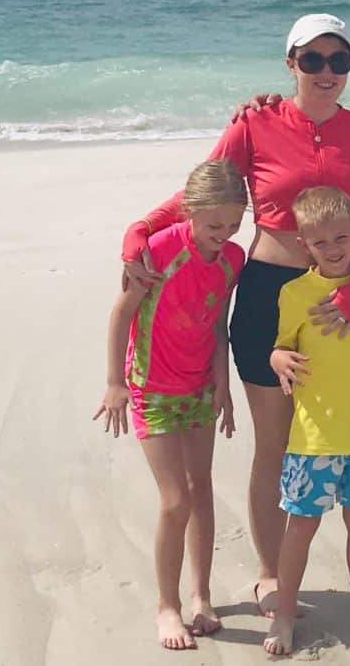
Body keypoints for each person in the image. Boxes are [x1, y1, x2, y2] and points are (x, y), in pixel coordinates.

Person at [119, 14, 350, 617]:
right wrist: (142, 229)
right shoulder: (255, 121)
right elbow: (202, 194)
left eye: (339, 60)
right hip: (266, 295)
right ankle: (267, 572)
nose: (327, 72)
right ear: (291, 64)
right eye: (313, 60)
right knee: (277, 444)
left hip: (341, 297)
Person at [94, 159, 246, 650]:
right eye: (212, 225)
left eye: (232, 226)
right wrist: (115, 382)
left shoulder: (234, 259)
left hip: (200, 386)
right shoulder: (159, 251)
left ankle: (202, 598)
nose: (222, 235)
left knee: (202, 489)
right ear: (188, 213)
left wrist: (223, 385)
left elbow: (219, 322)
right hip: (152, 389)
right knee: (175, 498)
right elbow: (121, 314)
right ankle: (168, 606)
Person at [263, 186, 350, 655]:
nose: (334, 249)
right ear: (304, 244)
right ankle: (283, 616)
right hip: (313, 440)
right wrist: (278, 359)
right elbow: (281, 347)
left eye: (342, 238)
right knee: (300, 529)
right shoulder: (295, 293)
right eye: (321, 242)